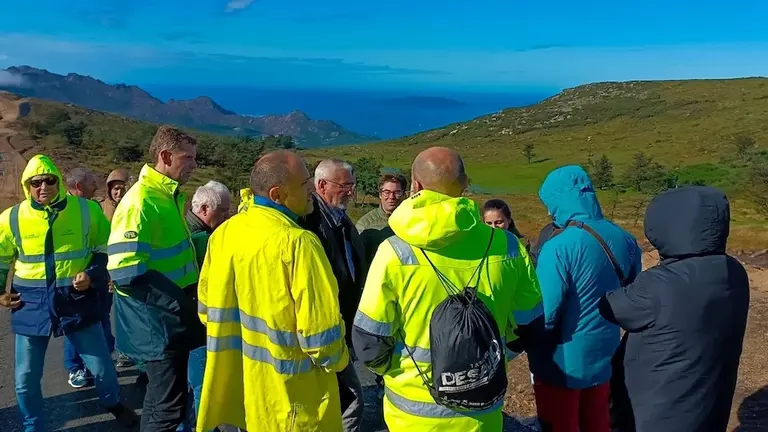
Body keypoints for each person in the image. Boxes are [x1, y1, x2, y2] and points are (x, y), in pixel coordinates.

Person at [352, 146, 543, 431]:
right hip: (482, 409)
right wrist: (494, 356)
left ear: (415, 186)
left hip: (411, 413)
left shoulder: (394, 252)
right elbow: (531, 324)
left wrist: (396, 371)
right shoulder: (508, 246)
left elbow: (369, 341)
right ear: (465, 184)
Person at [196, 150, 350, 432]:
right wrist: (341, 362)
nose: (311, 193)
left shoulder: (223, 234)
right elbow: (321, 339)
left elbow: (206, 311)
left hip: (240, 392)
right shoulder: (298, 244)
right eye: (305, 185)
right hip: (291, 400)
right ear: (278, 194)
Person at [0, 155, 137, 431]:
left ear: (59, 183)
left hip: (76, 301)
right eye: (35, 183)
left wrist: (92, 275)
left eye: (49, 181)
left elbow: (104, 251)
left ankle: (113, 404)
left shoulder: (86, 211)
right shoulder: (11, 218)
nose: (43, 187)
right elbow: (1, 260)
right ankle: (32, 426)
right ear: (27, 186)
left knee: (102, 369)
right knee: (25, 377)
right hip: (30, 303)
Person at [599, 186, 750, 432]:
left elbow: (610, 307)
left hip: (659, 409)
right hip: (710, 403)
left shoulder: (660, 283)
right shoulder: (735, 271)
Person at [527, 165, 642, 432]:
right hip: (605, 352)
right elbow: (632, 292)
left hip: (562, 362)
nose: (548, 211)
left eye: (549, 202)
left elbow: (546, 312)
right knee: (598, 421)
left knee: (561, 424)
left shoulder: (559, 245)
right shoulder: (626, 239)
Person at [108, 125, 204, 432]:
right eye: (187, 157)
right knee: (168, 407)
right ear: (165, 156)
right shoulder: (141, 201)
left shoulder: (167, 196)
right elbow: (125, 272)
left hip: (165, 318)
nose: (193, 164)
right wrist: (180, 305)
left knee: (160, 400)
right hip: (158, 322)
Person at [299, 158, 366, 432]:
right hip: (323, 328)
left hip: (340, 324)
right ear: (322, 185)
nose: (351, 191)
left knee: (337, 399)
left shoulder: (339, 216)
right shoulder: (309, 222)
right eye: (345, 185)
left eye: (352, 185)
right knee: (351, 401)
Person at [181, 180, 231, 430]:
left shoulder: (185, 229)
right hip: (196, 323)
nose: (227, 216)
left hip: (184, 319)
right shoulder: (201, 240)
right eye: (222, 211)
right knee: (201, 382)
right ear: (203, 209)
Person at [62, 167, 117, 388]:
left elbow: (101, 243)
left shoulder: (92, 208)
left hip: (95, 276)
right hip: (72, 282)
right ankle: (75, 368)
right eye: (92, 183)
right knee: (75, 325)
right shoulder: (62, 211)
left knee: (100, 319)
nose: (97, 186)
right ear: (79, 186)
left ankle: (96, 364)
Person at [97, 167, 136, 368]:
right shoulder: (99, 208)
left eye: (122, 188)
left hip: (123, 270)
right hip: (101, 270)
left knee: (125, 315)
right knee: (101, 313)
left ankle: (125, 351)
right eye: (114, 189)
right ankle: (104, 350)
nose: (118, 192)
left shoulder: (133, 207)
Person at [355, 172, 407, 263]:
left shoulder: (413, 220)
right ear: (380, 194)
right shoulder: (365, 224)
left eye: (397, 192)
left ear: (404, 194)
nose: (391, 197)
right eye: (387, 192)